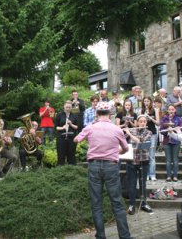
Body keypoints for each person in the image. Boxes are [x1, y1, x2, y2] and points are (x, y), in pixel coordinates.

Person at [74, 101, 132, 239]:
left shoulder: (90, 127)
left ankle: (101, 236)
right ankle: (125, 236)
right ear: (110, 114)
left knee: (96, 203)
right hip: (111, 166)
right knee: (117, 202)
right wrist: (116, 151)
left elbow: (76, 139)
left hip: (93, 166)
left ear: (96, 113)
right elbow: (126, 148)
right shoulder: (116, 129)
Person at [123, 115, 153, 214]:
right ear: (137, 122)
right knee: (131, 184)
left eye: (144, 121)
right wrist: (124, 129)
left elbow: (140, 141)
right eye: (141, 121)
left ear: (146, 123)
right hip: (131, 161)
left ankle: (144, 203)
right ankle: (132, 205)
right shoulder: (132, 130)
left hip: (144, 161)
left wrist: (128, 133)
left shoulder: (148, 132)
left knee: (142, 184)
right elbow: (122, 139)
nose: (143, 123)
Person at [160, 104, 182, 182]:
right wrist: (167, 131)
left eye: (172, 109)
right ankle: (169, 176)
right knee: (168, 160)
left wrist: (175, 130)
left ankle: (175, 176)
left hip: (176, 141)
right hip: (167, 141)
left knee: (175, 159)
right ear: (168, 110)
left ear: (175, 110)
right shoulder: (164, 119)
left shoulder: (179, 119)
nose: (171, 111)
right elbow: (161, 130)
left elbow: (181, 130)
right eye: (169, 109)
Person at [141, 97, 160, 181]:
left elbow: (158, 123)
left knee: (151, 156)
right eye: (145, 101)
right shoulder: (141, 110)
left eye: (148, 101)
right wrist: (144, 119)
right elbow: (139, 123)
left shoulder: (155, 110)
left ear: (150, 102)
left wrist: (150, 118)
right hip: (144, 134)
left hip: (152, 134)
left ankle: (152, 174)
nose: (146, 103)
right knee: (145, 155)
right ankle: (146, 174)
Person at [55, 101, 78, 165]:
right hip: (61, 138)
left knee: (71, 156)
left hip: (71, 138)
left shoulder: (74, 115)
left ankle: (71, 171)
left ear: (71, 108)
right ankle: (61, 170)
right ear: (64, 107)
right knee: (61, 156)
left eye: (69, 107)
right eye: (67, 107)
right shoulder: (59, 115)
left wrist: (71, 124)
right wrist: (62, 128)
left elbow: (77, 127)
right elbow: (56, 127)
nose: (68, 108)